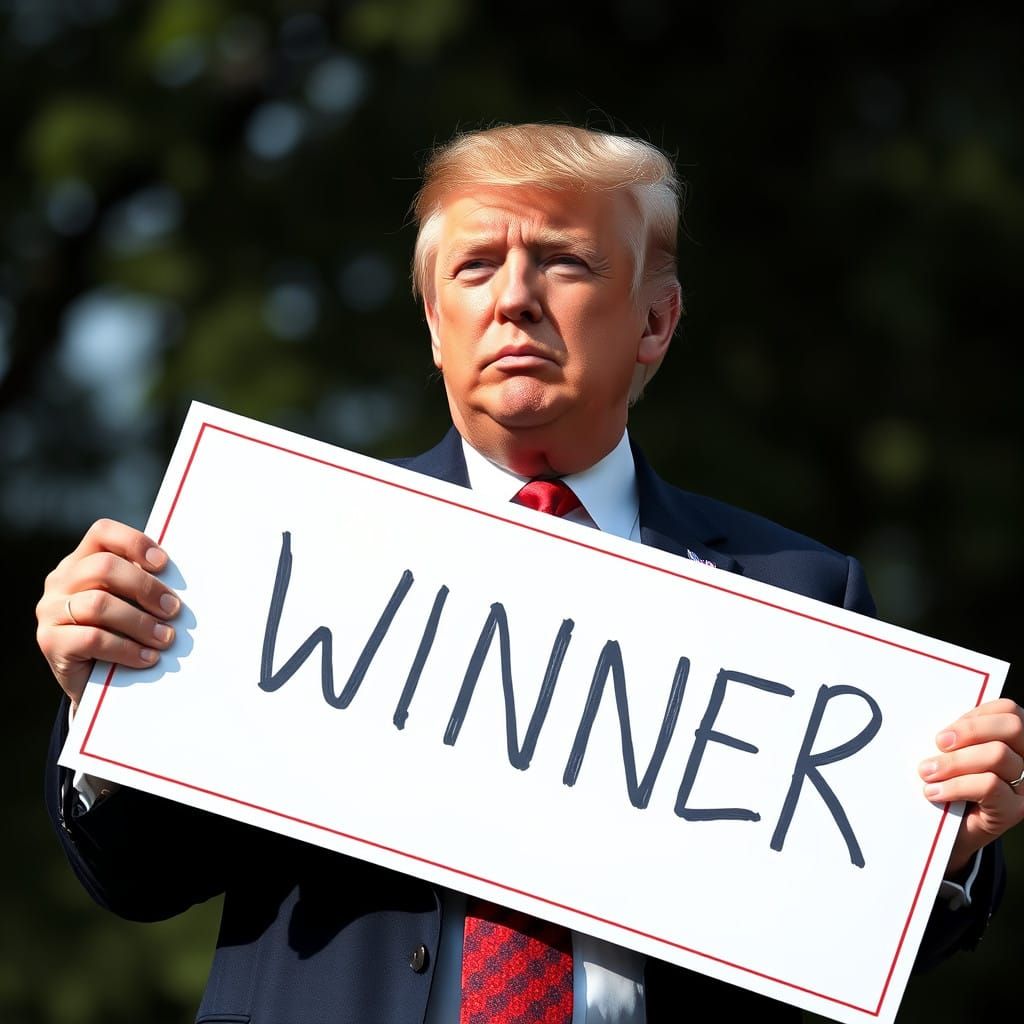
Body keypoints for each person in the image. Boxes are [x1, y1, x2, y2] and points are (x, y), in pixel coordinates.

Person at [37, 123, 1023, 1023]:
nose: (514, 297)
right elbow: (141, 876)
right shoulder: (271, 550)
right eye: (475, 266)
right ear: (432, 320)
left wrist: (944, 850)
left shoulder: (800, 596)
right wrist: (109, 690)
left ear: (654, 321)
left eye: (563, 261)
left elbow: (854, 949)